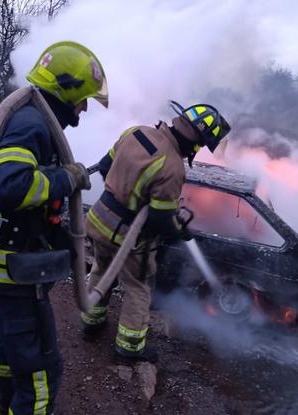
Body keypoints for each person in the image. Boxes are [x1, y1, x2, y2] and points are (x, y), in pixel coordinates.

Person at [0, 41, 108, 415]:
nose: (84, 108)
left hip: (12, 268)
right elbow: (9, 187)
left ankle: (7, 402)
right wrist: (65, 179)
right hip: (16, 274)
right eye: (83, 98)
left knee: (12, 352)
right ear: (66, 89)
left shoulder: (32, 118)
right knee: (41, 374)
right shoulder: (31, 123)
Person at [81, 100, 231, 362]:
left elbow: (105, 167)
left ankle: (91, 322)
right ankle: (129, 348)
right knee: (138, 287)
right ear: (195, 142)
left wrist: (127, 190)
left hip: (97, 220)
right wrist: (180, 231)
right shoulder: (172, 166)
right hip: (125, 236)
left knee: (101, 271)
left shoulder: (136, 132)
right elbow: (160, 218)